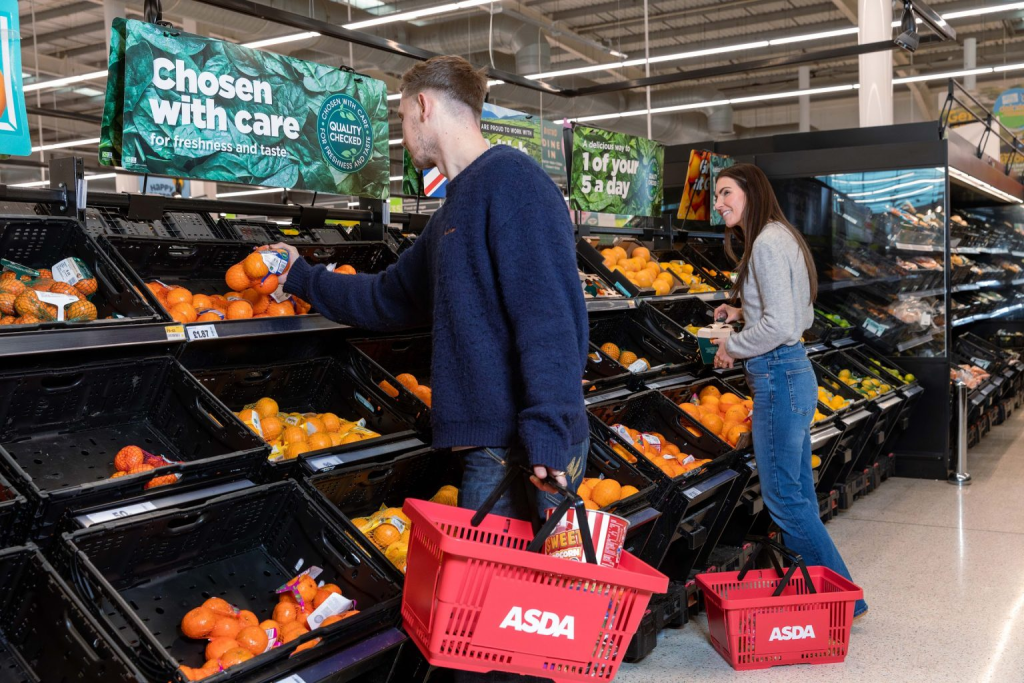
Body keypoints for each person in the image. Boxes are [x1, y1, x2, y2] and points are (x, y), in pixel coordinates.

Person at [265, 55, 589, 538]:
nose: (403, 132)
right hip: (498, 447)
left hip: (518, 451)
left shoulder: (513, 181)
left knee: (490, 607)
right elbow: (390, 297)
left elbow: (551, 318)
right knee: (501, 604)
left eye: (401, 118)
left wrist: (547, 433)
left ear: (422, 106)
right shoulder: (452, 211)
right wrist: (301, 277)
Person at [710, 163, 868, 619]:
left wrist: (731, 345)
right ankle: (828, 590)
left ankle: (845, 600)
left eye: (726, 193)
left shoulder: (764, 244)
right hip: (792, 374)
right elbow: (801, 314)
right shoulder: (781, 235)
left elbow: (780, 325)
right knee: (797, 494)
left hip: (777, 378)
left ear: (750, 192)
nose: (719, 203)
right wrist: (741, 311)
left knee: (783, 500)